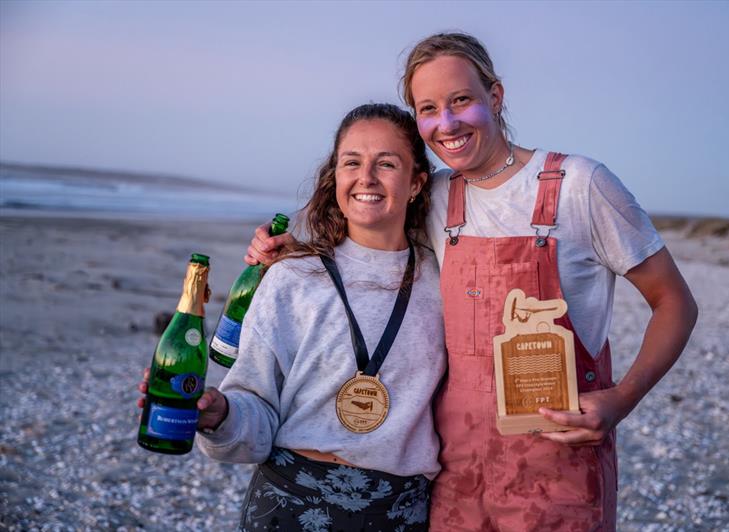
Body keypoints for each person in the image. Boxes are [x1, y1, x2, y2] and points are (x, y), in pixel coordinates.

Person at [247, 33, 698, 531]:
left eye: (461, 101)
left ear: (496, 97)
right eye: (428, 109)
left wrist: (621, 400)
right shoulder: (436, 198)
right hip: (456, 476)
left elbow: (674, 301)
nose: (447, 124)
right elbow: (368, 239)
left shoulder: (579, 185)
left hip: (558, 470)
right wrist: (295, 254)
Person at [140, 103, 446, 531]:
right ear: (335, 176)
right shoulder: (292, 276)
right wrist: (220, 414)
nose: (366, 177)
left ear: (416, 183)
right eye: (351, 162)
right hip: (289, 504)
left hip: (398, 514)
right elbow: (257, 407)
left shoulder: (448, 281)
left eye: (387, 163)